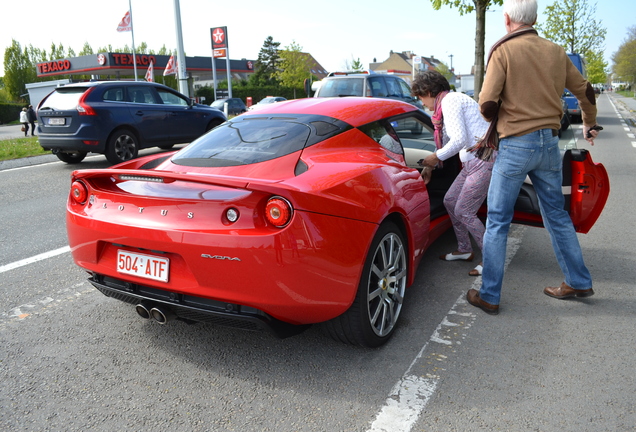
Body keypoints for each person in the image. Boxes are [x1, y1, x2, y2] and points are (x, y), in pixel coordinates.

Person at [466, 0, 602, 315]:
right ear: (535, 18)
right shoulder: (555, 51)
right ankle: (578, 281)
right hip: (549, 144)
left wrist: (495, 111)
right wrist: (589, 123)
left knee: (498, 220)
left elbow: (486, 105)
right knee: (556, 214)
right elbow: (586, 90)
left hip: (515, 145)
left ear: (507, 18)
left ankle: (489, 295)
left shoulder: (503, 52)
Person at [412, 70, 493, 276]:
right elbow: (451, 141)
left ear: (428, 91)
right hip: (472, 162)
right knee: (450, 201)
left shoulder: (450, 101)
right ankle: (465, 249)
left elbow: (457, 141)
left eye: (420, 97)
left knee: (465, 210)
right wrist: (431, 164)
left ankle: (491, 260)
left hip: (483, 160)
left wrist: (434, 157)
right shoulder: (446, 104)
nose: (422, 103)